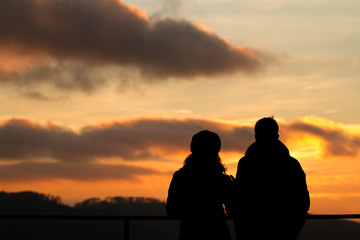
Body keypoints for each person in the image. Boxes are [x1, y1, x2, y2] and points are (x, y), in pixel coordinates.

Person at [232, 117, 310, 240]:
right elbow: (302, 201)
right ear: (277, 135)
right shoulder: (291, 165)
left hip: (251, 230)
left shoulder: (245, 164)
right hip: (282, 229)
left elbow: (240, 199)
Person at [166, 130, 233, 240]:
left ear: (192, 148)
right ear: (216, 150)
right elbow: (232, 209)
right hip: (218, 233)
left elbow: (171, 211)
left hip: (190, 233)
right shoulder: (221, 178)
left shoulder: (180, 176)